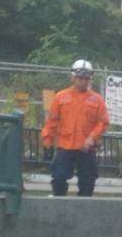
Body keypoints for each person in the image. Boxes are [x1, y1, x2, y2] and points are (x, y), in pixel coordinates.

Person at [41, 60, 109, 197]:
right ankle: (59, 202)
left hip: (87, 148)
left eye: (86, 79)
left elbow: (103, 122)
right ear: (72, 77)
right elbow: (52, 121)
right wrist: (47, 142)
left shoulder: (97, 100)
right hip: (65, 146)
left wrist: (92, 138)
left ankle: (83, 208)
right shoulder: (61, 97)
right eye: (80, 78)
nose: (83, 82)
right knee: (58, 177)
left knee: (87, 181)